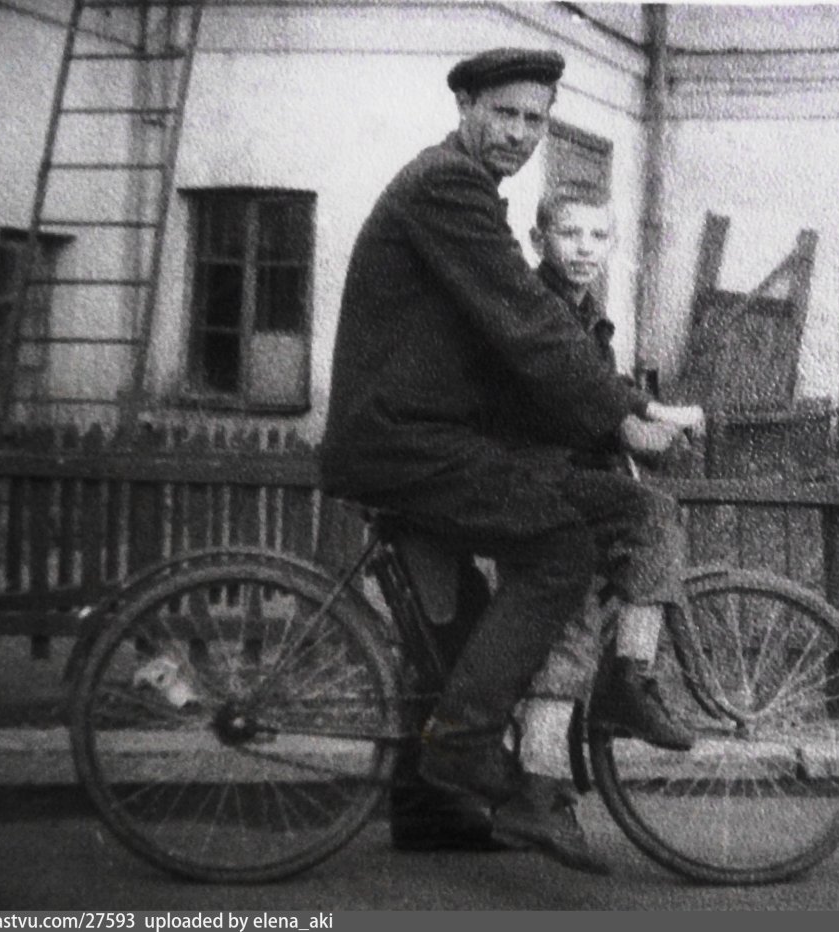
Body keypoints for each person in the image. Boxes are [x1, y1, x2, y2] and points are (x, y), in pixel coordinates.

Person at [320, 47, 698, 874]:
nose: (520, 133)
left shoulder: (460, 191)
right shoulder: (447, 187)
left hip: (425, 437)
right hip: (407, 441)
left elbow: (519, 333)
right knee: (559, 549)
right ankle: (462, 750)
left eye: (536, 119)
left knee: (453, 626)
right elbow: (527, 320)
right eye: (505, 113)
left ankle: (435, 813)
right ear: (465, 106)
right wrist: (628, 412)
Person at [513, 189, 704, 779]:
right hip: (540, 476)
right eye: (570, 234)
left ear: (613, 245)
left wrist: (643, 426)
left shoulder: (584, 310)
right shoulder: (539, 303)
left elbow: (599, 389)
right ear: (538, 240)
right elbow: (576, 389)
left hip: (570, 481)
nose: (584, 248)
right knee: (654, 516)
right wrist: (651, 414)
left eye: (598, 237)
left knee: (570, 629)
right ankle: (629, 682)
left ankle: (539, 786)